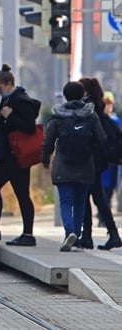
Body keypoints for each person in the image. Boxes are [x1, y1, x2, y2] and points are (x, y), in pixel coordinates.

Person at [43, 80, 106, 251]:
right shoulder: (91, 115)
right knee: (80, 202)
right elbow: (101, 139)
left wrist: (45, 159)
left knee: (66, 201)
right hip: (85, 164)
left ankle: (69, 232)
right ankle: (76, 236)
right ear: (82, 95)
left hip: (63, 164)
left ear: (65, 95)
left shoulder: (57, 117)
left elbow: (48, 141)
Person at [0, 64, 39, 246]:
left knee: (21, 193)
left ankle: (28, 234)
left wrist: (9, 117)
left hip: (17, 157)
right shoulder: (8, 100)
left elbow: (29, 126)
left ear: (8, 84)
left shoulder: (21, 100)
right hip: (7, 156)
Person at [78, 77, 122, 250]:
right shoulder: (97, 107)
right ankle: (93, 235)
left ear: (86, 91)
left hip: (91, 160)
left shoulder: (88, 109)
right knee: (93, 198)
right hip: (97, 161)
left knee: (93, 199)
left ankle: (109, 235)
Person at [102, 91, 120, 213]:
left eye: (110, 104)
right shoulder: (98, 119)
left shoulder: (115, 120)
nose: (108, 107)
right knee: (103, 187)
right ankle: (103, 212)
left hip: (113, 160)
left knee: (112, 186)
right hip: (103, 159)